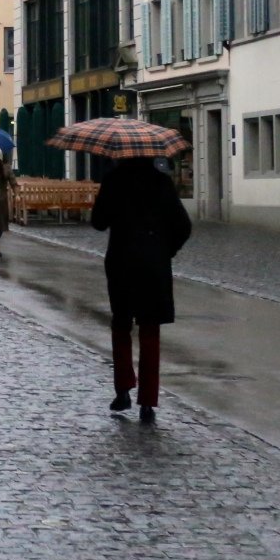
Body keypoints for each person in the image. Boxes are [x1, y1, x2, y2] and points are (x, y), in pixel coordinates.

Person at [89, 156, 192, 425]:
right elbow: (183, 226)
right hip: (153, 265)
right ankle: (148, 401)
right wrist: (165, 250)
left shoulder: (114, 180)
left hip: (122, 263)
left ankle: (123, 389)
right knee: (150, 331)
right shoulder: (162, 182)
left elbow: (98, 222)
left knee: (121, 325)